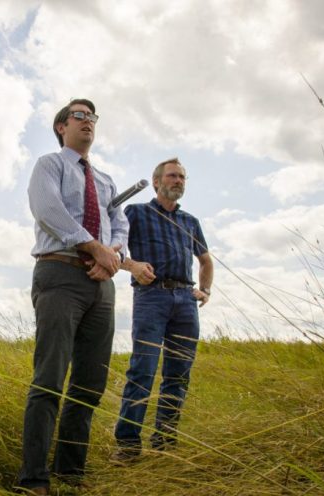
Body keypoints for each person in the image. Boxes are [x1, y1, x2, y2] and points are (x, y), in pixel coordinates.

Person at [17, 99, 129, 495]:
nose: (89, 122)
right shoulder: (50, 165)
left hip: (101, 284)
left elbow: (120, 222)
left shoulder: (106, 180)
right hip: (60, 273)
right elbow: (48, 209)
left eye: (93, 117)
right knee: (49, 378)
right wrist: (90, 246)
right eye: (80, 116)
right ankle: (34, 479)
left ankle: (70, 472)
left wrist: (110, 254)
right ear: (61, 127)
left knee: (90, 381)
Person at [112, 157, 214, 462]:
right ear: (156, 182)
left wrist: (204, 290)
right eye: (172, 176)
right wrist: (132, 266)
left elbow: (206, 260)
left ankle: (164, 441)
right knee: (142, 369)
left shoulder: (190, 221)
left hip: (185, 301)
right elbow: (115, 249)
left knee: (178, 374)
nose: (178, 181)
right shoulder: (137, 213)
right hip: (151, 297)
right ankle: (128, 445)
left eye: (182, 177)